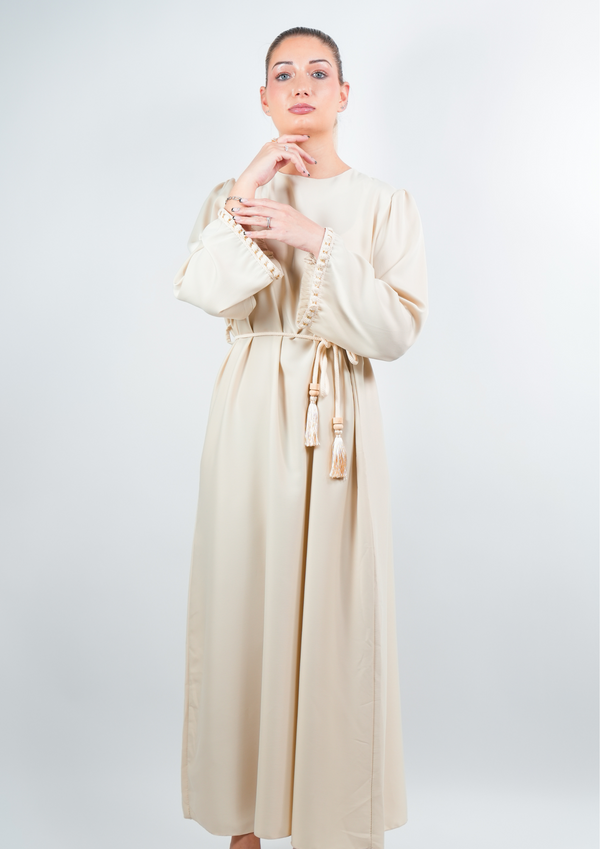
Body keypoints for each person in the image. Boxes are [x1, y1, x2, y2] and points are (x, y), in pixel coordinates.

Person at [173, 26, 428, 849]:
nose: (302, 85)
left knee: (337, 615)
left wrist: (315, 240)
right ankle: (245, 826)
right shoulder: (235, 197)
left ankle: (330, 826)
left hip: (337, 421)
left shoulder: (383, 204)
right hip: (250, 414)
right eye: (283, 74)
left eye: (319, 72)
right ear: (264, 98)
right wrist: (249, 186)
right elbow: (204, 288)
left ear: (344, 94)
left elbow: (395, 329)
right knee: (242, 598)